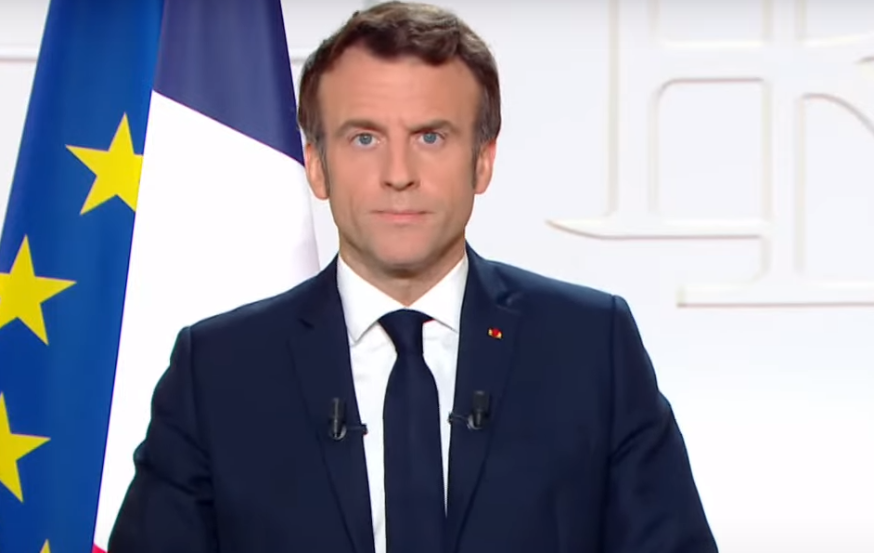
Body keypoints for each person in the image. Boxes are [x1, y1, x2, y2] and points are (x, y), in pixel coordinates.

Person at [107, 2, 718, 552]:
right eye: (364, 138)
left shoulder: (589, 347)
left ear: (483, 160)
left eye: (430, 136)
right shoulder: (220, 370)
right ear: (316, 165)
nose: (398, 173)